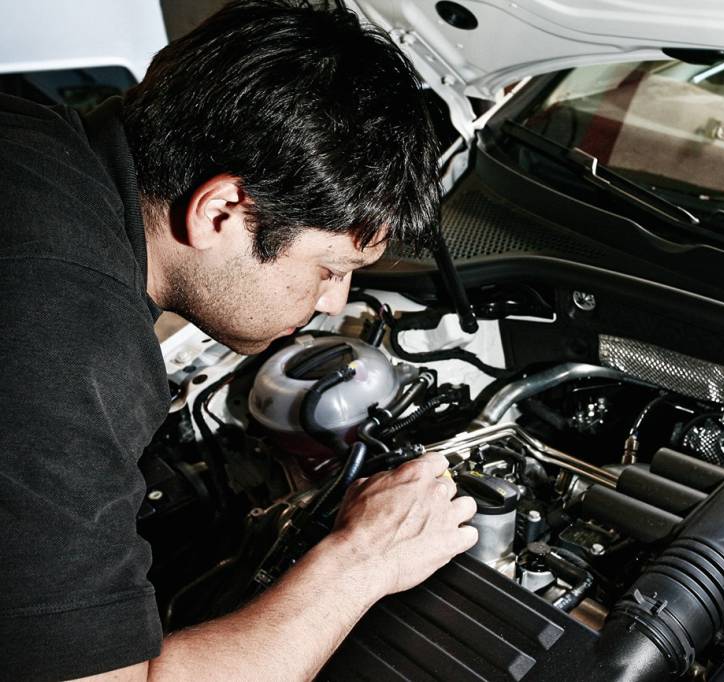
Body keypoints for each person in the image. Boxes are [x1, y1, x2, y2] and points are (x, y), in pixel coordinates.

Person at [0, 1, 477, 679]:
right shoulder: (63, 345)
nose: (333, 302)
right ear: (221, 211)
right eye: (330, 269)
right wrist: (361, 560)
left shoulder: (29, 135)